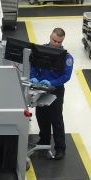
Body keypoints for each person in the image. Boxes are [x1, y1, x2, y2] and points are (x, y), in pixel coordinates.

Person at [30, 27, 73, 160]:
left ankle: (60, 148)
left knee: (56, 119)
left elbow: (66, 76)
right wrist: (33, 77)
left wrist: (52, 83)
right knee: (41, 115)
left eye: (59, 42)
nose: (56, 44)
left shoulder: (67, 57)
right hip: (40, 88)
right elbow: (33, 65)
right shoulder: (41, 51)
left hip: (56, 90)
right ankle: (44, 140)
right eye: (54, 40)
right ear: (50, 37)